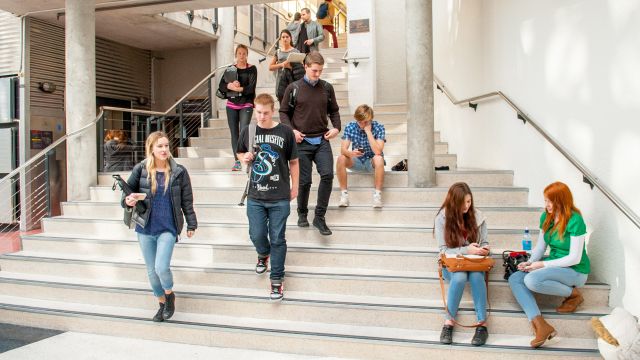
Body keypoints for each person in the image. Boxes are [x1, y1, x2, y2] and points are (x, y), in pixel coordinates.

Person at [122, 131, 198, 322]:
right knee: (151, 271)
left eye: (166, 146)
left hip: (168, 227)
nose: (164, 150)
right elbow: (126, 194)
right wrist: (128, 200)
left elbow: (187, 200)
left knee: (161, 267)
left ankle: (170, 294)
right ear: (151, 149)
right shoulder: (141, 169)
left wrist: (191, 223)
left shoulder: (179, 171)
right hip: (145, 227)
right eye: (160, 146)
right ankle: (161, 302)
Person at [508, 181, 590, 348]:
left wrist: (541, 265)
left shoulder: (575, 220)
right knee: (515, 278)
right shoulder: (546, 217)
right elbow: (540, 247)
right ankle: (540, 325)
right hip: (553, 266)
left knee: (531, 281)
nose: (546, 205)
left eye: (549, 201)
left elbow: (574, 258)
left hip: (575, 270)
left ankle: (574, 294)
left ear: (561, 200)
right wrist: (529, 262)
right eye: (545, 200)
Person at [237, 93, 299, 301]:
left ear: (273, 111)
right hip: (255, 195)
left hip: (280, 195)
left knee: (278, 238)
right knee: (256, 234)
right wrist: (244, 157)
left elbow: (294, 162)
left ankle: (277, 280)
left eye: (265, 113)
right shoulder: (249, 131)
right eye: (258, 112)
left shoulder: (285, 132)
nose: (261, 117)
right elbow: (239, 152)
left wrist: (295, 187)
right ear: (254, 110)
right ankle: (263, 254)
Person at [279, 51, 340, 236]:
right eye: (314, 70)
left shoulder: (327, 88)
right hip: (301, 142)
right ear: (305, 66)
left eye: (320, 71)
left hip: (322, 140)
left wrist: (336, 127)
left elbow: (334, 111)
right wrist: (292, 131)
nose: (317, 74)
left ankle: (319, 217)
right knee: (304, 182)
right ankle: (302, 213)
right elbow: (283, 113)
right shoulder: (293, 88)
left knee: (328, 175)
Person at [436, 182, 490, 346]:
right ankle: (449, 323)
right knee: (459, 278)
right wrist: (467, 250)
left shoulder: (478, 216)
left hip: (473, 264)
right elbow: (444, 250)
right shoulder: (442, 218)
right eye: (463, 203)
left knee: (475, 277)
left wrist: (484, 249)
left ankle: (482, 325)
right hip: (451, 265)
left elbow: (485, 242)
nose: (467, 206)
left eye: (469, 201)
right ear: (454, 202)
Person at [336, 104, 385, 208]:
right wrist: (351, 153)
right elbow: (343, 150)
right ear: (356, 119)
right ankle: (344, 195)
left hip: (372, 163)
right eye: (360, 122)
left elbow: (378, 151)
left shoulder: (379, 127)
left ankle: (377, 195)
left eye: (366, 122)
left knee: (379, 158)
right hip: (357, 161)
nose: (362, 124)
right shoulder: (350, 127)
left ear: (371, 119)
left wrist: (368, 132)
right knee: (341, 158)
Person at [218, 44, 257, 171]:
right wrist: (230, 85)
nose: (241, 56)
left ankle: (246, 157)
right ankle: (238, 161)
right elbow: (221, 86)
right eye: (239, 53)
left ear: (247, 55)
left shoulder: (252, 69)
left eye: (244, 53)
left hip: (246, 103)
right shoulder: (230, 69)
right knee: (234, 134)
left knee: (244, 131)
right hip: (231, 105)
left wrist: (239, 89)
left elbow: (251, 88)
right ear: (236, 55)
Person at [269, 29, 302, 102]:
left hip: (293, 81)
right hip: (280, 82)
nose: (285, 39)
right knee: (282, 105)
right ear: (280, 39)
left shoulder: (296, 51)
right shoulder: (278, 52)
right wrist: (281, 64)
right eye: (283, 37)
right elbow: (270, 67)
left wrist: (290, 67)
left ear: (290, 38)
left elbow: (301, 68)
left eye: (287, 37)